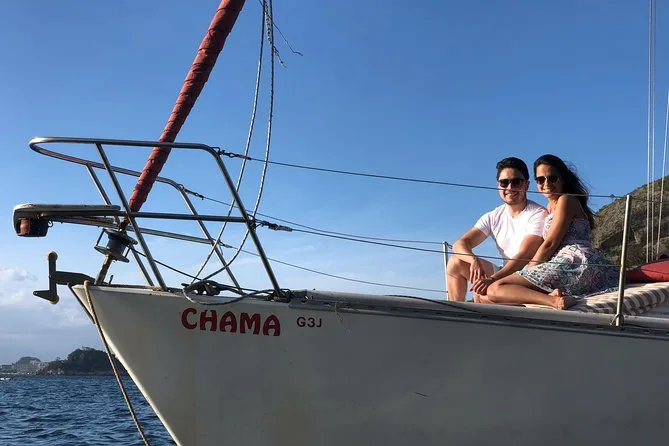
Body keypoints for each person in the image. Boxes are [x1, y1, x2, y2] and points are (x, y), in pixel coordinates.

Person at [484, 154, 619, 309]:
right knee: (493, 293)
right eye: (541, 179)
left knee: (495, 289)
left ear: (563, 179)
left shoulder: (566, 200)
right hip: (565, 261)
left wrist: (528, 270)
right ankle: (551, 296)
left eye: (552, 178)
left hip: (575, 261)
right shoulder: (549, 207)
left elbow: (550, 244)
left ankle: (555, 301)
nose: (546, 183)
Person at [446, 157, 547, 301]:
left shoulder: (538, 213)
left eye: (516, 182)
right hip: (504, 273)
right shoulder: (493, 216)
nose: (510, 188)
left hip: (527, 277)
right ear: (498, 185)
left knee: (481, 295)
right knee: (455, 263)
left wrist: (492, 279)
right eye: (504, 182)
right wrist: (473, 260)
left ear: (526, 185)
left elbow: (524, 256)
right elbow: (460, 244)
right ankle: (455, 311)